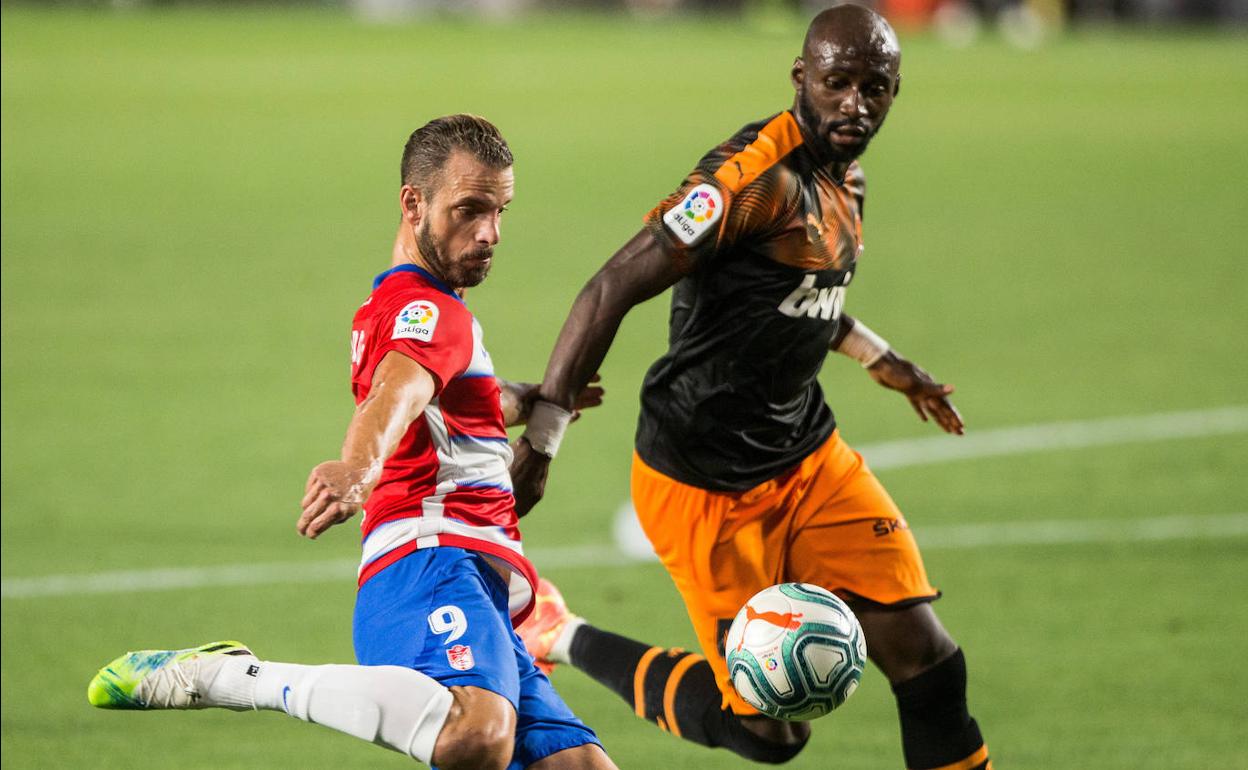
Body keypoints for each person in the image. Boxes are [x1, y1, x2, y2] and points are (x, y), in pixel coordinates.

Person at [510, 7, 992, 770]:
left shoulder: (847, 177)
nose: (856, 104)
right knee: (772, 734)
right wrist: (541, 444)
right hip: (702, 481)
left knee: (928, 660)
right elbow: (609, 289)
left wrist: (879, 356)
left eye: (877, 88)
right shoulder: (752, 181)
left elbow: (798, 293)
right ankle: (557, 633)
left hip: (807, 458)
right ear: (802, 78)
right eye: (838, 83)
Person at [86, 115, 615, 770]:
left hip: (474, 576)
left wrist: (517, 402)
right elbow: (398, 392)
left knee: (578, 767)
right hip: (432, 559)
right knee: (474, 739)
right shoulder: (431, 312)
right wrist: (357, 469)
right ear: (413, 203)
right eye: (470, 210)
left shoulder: (404, 308)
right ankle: (235, 679)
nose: (490, 234)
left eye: (501, 211)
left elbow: (439, 398)